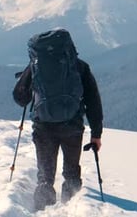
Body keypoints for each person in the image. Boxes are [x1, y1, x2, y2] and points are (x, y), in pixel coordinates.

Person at [13, 28, 103, 211]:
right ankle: (72, 209)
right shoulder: (80, 67)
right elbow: (93, 101)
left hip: (43, 126)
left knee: (45, 177)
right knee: (71, 174)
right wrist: (96, 134)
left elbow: (19, 97)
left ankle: (40, 210)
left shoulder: (35, 66)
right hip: (72, 126)